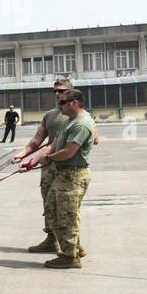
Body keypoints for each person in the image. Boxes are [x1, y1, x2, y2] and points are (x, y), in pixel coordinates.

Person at [14, 78, 94, 257]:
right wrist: (25, 156)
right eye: (55, 92)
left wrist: (53, 154)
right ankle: (53, 240)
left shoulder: (80, 117)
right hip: (49, 166)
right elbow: (38, 139)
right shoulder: (52, 115)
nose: (58, 95)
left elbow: (92, 139)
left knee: (67, 210)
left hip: (66, 167)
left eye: (62, 92)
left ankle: (71, 250)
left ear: (72, 95)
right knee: (51, 206)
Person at [39, 89, 96, 269]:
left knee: (67, 217)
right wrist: (36, 159)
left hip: (73, 175)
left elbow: (69, 152)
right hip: (62, 174)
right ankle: (74, 247)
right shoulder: (69, 122)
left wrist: (48, 159)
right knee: (52, 210)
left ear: (74, 102)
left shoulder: (82, 124)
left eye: (62, 102)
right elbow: (54, 144)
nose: (59, 105)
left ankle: (70, 256)